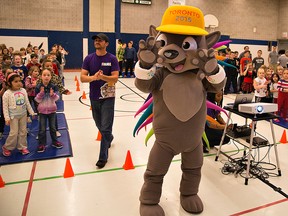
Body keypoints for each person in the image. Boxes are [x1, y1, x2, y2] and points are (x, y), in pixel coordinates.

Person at [80, 33, 119, 169]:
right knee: (99, 124)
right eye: (96, 40)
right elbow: (83, 78)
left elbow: (115, 78)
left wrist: (103, 77)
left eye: (100, 40)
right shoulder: (89, 58)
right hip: (94, 97)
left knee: (105, 126)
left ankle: (103, 157)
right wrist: (94, 78)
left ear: (106, 43)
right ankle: (109, 137)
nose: (97, 41)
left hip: (108, 97)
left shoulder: (112, 59)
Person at [1, 72, 36, 156]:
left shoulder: (23, 90)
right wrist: (7, 118)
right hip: (13, 117)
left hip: (23, 115)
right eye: (15, 81)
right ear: (9, 83)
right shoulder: (7, 94)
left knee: (23, 131)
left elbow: (27, 103)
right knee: (14, 132)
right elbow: (5, 107)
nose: (18, 83)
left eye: (19, 81)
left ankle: (22, 147)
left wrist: (31, 112)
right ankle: (7, 147)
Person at [35, 68, 62, 152]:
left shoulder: (53, 86)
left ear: (51, 77)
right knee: (42, 129)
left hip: (52, 111)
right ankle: (41, 144)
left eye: (48, 75)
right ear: (41, 76)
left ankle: (55, 141)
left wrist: (52, 95)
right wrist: (41, 94)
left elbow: (57, 98)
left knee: (53, 128)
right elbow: (37, 100)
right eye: (44, 75)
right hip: (42, 111)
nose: (46, 77)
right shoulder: (38, 87)